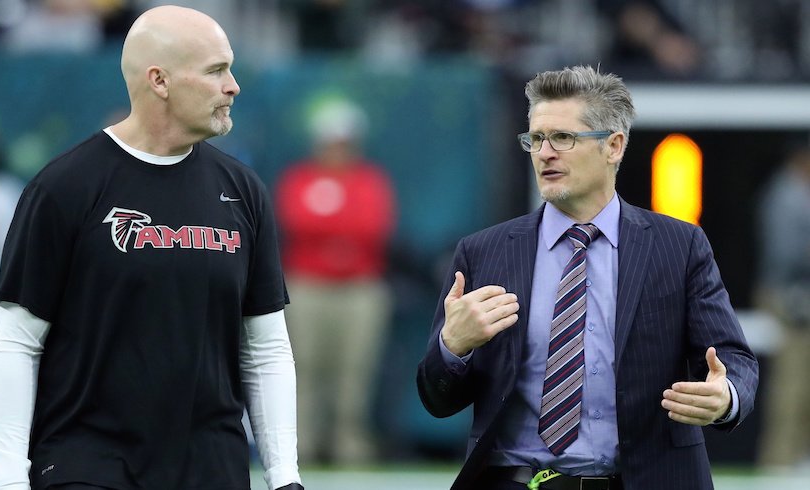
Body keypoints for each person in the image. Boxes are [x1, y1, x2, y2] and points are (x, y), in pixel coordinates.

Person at [0, 5, 303, 490]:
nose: (233, 85)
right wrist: (8, 480)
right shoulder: (64, 188)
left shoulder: (243, 191)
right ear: (160, 81)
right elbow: (17, 344)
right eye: (216, 70)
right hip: (88, 467)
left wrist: (285, 477)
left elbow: (266, 351)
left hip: (211, 469)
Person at [416, 65, 759, 490]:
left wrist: (726, 399)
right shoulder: (484, 251)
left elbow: (735, 361)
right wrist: (454, 346)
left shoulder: (679, 246)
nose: (544, 153)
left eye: (563, 138)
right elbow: (436, 399)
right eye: (536, 139)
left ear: (614, 146)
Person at [274, 97, 396, 465]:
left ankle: (349, 443)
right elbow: (295, 221)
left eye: (343, 142)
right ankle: (302, 444)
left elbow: (374, 226)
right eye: (330, 141)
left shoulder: (370, 180)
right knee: (304, 366)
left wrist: (330, 225)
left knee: (355, 369)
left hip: (359, 288)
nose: (337, 150)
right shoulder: (299, 178)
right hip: (308, 286)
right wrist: (339, 227)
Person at [754, 145, 810, 470]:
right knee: (790, 386)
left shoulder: (799, 193)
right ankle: (778, 463)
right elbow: (785, 256)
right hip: (787, 297)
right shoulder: (786, 196)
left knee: (803, 387)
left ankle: (798, 462)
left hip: (798, 295)